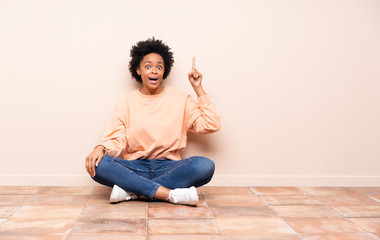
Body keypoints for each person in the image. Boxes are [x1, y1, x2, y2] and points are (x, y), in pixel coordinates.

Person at [85, 37, 221, 206]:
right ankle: (169, 194)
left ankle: (133, 191)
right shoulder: (126, 102)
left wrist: (198, 88)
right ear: (138, 70)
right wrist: (100, 148)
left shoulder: (181, 99)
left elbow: (211, 124)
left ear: (165, 71)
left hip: (170, 167)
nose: (154, 71)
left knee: (205, 166)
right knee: (99, 164)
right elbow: (115, 139)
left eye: (159, 67)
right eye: (148, 66)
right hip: (134, 167)